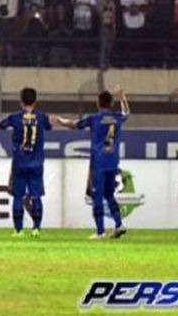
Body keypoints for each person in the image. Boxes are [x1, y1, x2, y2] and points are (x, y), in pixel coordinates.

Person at [0, 88, 52, 238]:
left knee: (18, 196)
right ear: (35, 101)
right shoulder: (42, 117)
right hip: (37, 162)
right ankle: (36, 228)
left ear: (20, 101)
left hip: (20, 162)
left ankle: (18, 230)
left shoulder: (15, 117)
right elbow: (49, 126)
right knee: (36, 196)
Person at [53, 86, 130, 240]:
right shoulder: (117, 117)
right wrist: (123, 97)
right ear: (111, 103)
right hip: (113, 162)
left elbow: (73, 124)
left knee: (97, 197)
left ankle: (100, 232)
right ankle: (119, 224)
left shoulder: (94, 118)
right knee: (109, 195)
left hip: (99, 163)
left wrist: (59, 120)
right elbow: (127, 113)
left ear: (98, 103)